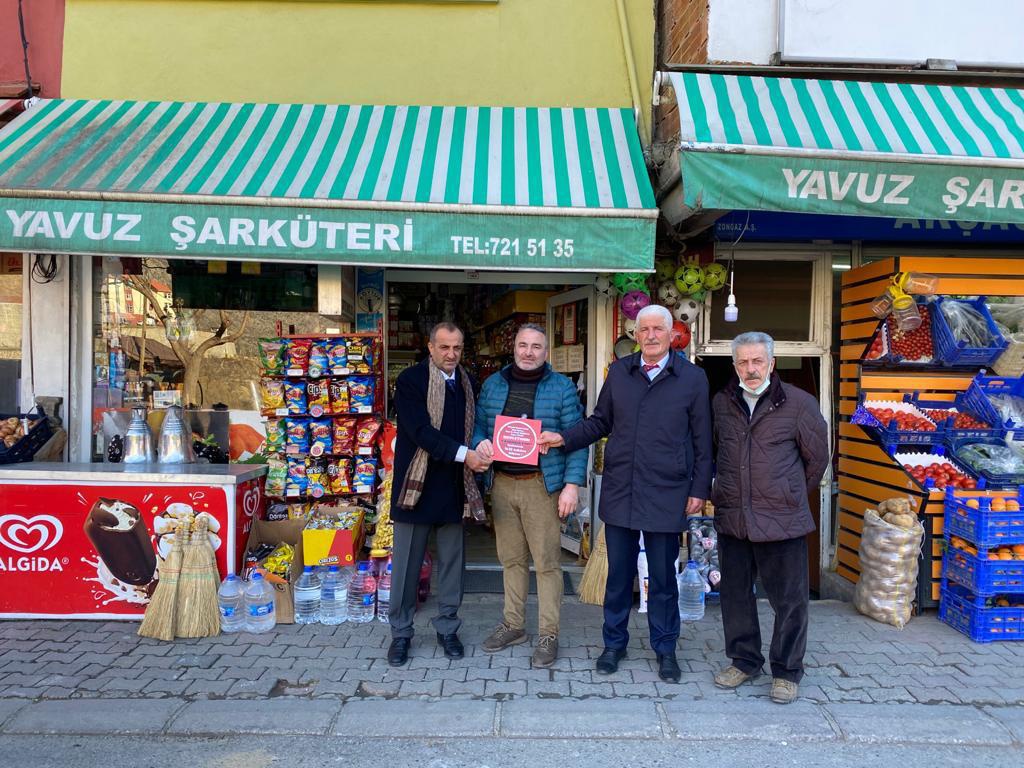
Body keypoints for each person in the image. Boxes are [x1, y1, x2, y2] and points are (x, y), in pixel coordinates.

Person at [538, 304, 712, 683]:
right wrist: (563, 437)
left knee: (664, 577)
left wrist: (699, 488)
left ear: (671, 334)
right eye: (643, 329)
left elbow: (703, 439)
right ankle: (613, 645)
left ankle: (665, 648)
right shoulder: (620, 372)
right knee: (618, 575)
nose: (650, 335)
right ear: (636, 336)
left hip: (668, 490)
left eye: (657, 329)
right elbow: (600, 421)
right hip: (622, 488)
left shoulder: (693, 378)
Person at [710, 331, 829, 704]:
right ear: (734, 365)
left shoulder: (799, 404)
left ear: (772, 363)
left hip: (782, 521)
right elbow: (714, 453)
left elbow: (818, 459)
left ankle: (787, 671)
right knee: (735, 596)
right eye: (743, 362)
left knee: (789, 600)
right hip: (734, 519)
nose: (750, 369)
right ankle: (744, 661)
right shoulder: (721, 403)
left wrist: (789, 495)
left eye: (757, 361)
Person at [472, 323, 587, 668]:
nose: (528, 352)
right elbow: (478, 425)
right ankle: (514, 624)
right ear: (515, 348)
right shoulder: (493, 384)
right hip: (503, 483)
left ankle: (548, 633)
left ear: (545, 352)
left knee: (548, 564)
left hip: (542, 485)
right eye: (523, 345)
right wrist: (479, 441)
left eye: (536, 346)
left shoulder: (562, 387)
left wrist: (571, 485)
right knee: (511, 560)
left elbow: (577, 437)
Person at [387, 322, 491, 667]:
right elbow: (420, 432)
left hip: (453, 486)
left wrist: (481, 449)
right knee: (405, 568)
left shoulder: (467, 383)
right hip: (415, 487)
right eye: (444, 347)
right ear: (430, 347)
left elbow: (475, 428)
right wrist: (467, 455)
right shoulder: (410, 381)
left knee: (451, 566)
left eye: (457, 348)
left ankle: (448, 628)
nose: (451, 355)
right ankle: (400, 634)